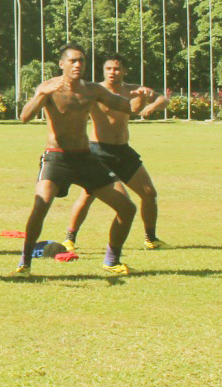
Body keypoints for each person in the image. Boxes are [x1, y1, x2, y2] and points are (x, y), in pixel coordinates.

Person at [16, 43, 138, 276]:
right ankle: (24, 262)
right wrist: (41, 93)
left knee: (127, 207)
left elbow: (125, 106)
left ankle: (111, 261)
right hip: (56, 158)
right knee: (41, 205)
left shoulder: (92, 90)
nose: (78, 65)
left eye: (81, 61)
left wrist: (142, 99)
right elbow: (25, 116)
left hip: (85, 158)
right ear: (62, 64)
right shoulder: (49, 88)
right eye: (73, 61)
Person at [62, 57, 167, 251]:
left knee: (149, 193)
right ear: (103, 71)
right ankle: (70, 238)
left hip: (123, 151)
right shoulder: (94, 90)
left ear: (124, 71)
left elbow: (163, 99)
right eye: (108, 68)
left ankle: (151, 238)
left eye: (117, 69)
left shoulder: (133, 90)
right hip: (98, 151)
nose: (112, 72)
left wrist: (152, 105)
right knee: (87, 195)